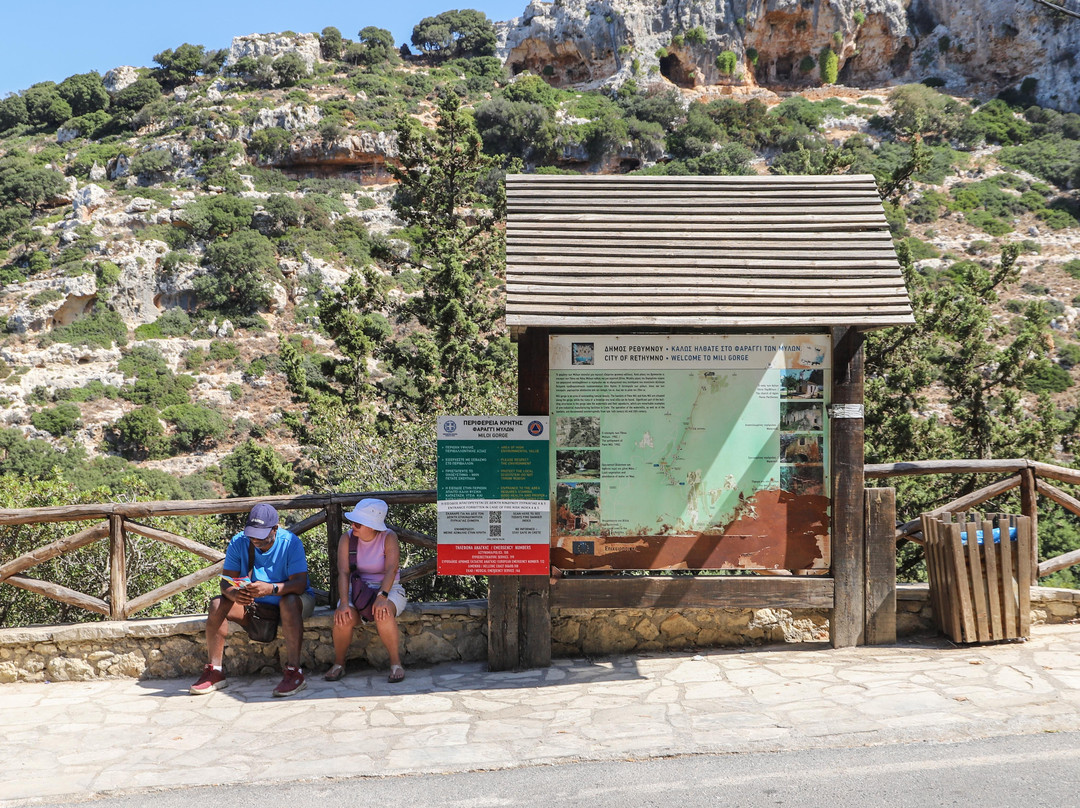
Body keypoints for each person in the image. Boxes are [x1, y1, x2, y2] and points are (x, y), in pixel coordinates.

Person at [189, 503, 316, 697]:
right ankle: (215, 672)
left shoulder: (291, 542)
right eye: (252, 534)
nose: (256, 539)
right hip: (253, 605)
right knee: (217, 604)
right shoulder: (239, 542)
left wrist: (271, 589)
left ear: (275, 528)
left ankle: (294, 672)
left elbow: (299, 584)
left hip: (291, 602)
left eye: (261, 535)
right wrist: (235, 595)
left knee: (288, 602)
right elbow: (225, 583)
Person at [323, 498, 407, 683]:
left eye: (358, 523)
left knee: (383, 612)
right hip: (358, 588)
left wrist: (382, 595)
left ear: (372, 526)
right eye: (353, 521)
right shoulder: (347, 539)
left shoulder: (388, 537)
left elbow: (392, 569)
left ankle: (395, 663)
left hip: (389, 588)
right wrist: (344, 602)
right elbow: (343, 572)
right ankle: (339, 664)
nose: (353, 525)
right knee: (342, 617)